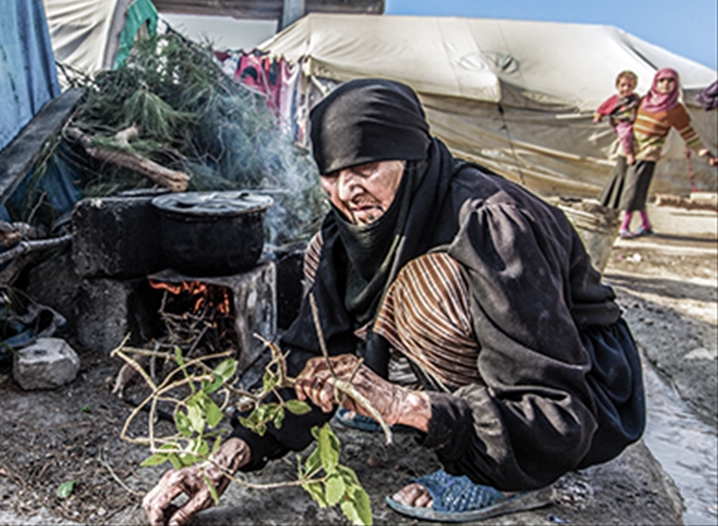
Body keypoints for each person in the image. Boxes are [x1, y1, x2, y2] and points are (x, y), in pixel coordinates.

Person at [142, 79, 646, 525]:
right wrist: (226, 458)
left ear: (411, 157)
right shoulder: (351, 228)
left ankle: (510, 475)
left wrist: (404, 405)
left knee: (428, 286)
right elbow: (308, 352)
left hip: (581, 393)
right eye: (332, 174)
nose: (347, 190)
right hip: (504, 374)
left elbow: (559, 413)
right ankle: (446, 412)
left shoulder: (491, 222)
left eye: (365, 168)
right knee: (327, 254)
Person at [601, 68, 718, 238]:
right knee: (619, 183)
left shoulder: (675, 110)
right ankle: (645, 224)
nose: (665, 85)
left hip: (647, 154)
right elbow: (622, 115)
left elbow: (689, 134)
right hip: (627, 150)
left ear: (675, 84)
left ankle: (624, 226)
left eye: (670, 81)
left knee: (634, 189)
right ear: (655, 83)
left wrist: (707, 154)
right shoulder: (642, 101)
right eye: (661, 81)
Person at [594, 70, 640, 165]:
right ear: (617, 86)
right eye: (623, 85)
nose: (626, 88)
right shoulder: (615, 99)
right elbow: (602, 108)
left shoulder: (635, 98)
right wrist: (598, 116)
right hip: (621, 123)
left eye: (629, 86)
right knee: (625, 134)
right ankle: (629, 153)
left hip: (633, 122)